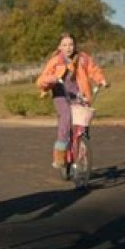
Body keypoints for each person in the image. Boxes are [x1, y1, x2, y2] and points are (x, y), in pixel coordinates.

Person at [36, 33, 108, 168]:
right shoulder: (56, 61)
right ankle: (60, 154)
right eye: (64, 45)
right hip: (61, 94)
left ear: (75, 45)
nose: (68, 48)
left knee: (83, 119)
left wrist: (101, 80)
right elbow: (41, 80)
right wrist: (51, 79)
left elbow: (93, 70)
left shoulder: (83, 58)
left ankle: (82, 149)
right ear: (59, 47)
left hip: (78, 94)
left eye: (71, 44)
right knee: (66, 116)